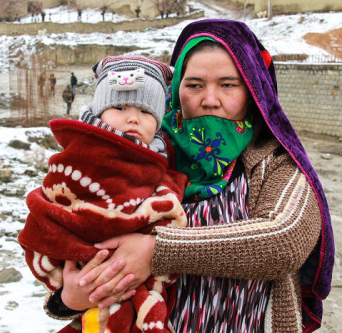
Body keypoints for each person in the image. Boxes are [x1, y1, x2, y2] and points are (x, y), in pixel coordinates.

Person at [48, 19, 335, 333]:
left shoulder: (274, 161)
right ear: (175, 90)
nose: (209, 99)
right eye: (195, 84)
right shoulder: (142, 155)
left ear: (253, 90)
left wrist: (157, 251)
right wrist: (68, 299)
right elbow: (74, 247)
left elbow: (284, 241)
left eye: (228, 85)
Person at [19, 56, 188, 332]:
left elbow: (169, 213)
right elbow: (51, 207)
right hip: (86, 284)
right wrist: (67, 297)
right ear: (99, 112)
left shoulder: (162, 163)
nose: (133, 117)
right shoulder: (81, 156)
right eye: (119, 107)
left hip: (136, 289)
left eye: (146, 112)